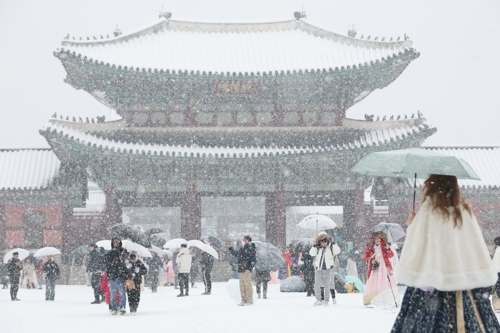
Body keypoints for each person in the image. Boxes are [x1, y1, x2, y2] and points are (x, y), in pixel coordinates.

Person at [392, 175, 500, 332]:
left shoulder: (428, 211)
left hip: (429, 286)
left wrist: (412, 226)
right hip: (464, 287)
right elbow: (474, 246)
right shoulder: (464, 211)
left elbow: (417, 249)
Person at [363, 231, 398, 306]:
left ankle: (385, 298)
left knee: (384, 281)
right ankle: (373, 299)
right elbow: (366, 258)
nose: (378, 240)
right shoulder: (370, 248)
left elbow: (390, 255)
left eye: (380, 238)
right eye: (377, 238)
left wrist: (388, 249)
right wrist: (371, 260)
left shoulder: (385, 246)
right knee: (374, 282)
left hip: (384, 267)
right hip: (375, 267)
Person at [309, 234, 340, 306]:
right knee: (317, 284)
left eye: (325, 242)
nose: (324, 244)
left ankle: (326, 300)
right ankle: (318, 299)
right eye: (322, 242)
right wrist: (314, 245)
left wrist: (333, 243)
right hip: (318, 268)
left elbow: (337, 251)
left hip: (328, 268)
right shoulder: (317, 248)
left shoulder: (330, 247)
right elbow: (312, 254)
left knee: (327, 285)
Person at [227, 235, 256, 306]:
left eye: (244, 240)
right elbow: (237, 254)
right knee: (242, 285)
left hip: (246, 269)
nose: (243, 241)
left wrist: (249, 267)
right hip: (241, 269)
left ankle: (249, 300)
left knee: (247, 285)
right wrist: (230, 248)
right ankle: (244, 299)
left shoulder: (250, 248)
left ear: (247, 240)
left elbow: (252, 259)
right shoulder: (243, 248)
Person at [106, 238, 128, 315]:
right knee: (113, 294)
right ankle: (113, 308)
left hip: (121, 275)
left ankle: (122, 307)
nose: (116, 244)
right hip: (113, 276)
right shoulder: (110, 253)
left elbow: (126, 263)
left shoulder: (124, 251)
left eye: (117, 242)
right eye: (115, 242)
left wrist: (122, 259)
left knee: (122, 293)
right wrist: (117, 259)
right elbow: (109, 264)